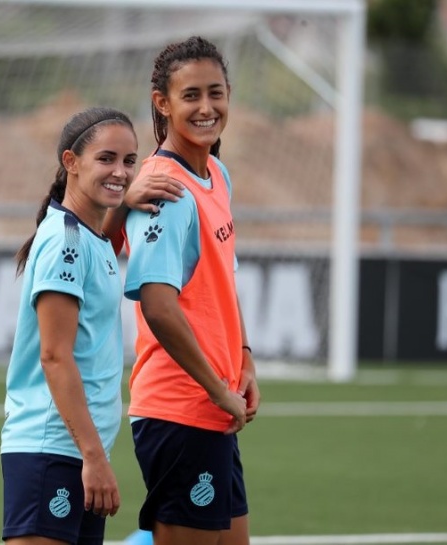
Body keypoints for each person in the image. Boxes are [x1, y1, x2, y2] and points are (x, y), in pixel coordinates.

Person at [0, 106, 182, 545]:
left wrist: (123, 206)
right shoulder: (66, 243)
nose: (121, 172)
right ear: (71, 162)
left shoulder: (90, 236)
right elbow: (55, 356)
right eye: (106, 159)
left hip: (71, 452)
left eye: (129, 161)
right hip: (52, 451)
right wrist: (93, 457)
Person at [120, 36, 261, 545]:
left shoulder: (216, 173)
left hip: (215, 405)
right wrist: (215, 387)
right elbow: (158, 307)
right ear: (163, 103)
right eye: (191, 95)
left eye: (216, 93)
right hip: (180, 408)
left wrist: (243, 359)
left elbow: (225, 279)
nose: (207, 108)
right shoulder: (166, 188)